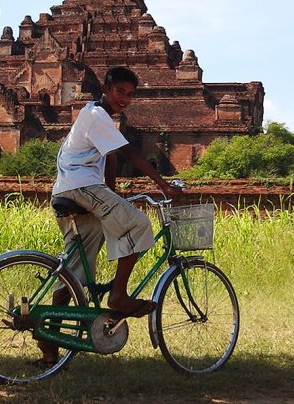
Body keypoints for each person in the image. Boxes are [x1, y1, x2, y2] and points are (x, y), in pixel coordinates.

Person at [39, 66, 183, 364]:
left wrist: (113, 193)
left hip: (68, 191)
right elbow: (129, 153)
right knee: (138, 224)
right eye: (120, 91)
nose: (125, 99)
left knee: (75, 272)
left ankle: (49, 343)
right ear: (106, 87)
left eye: (130, 95)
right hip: (81, 187)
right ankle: (118, 296)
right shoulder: (96, 115)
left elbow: (112, 156)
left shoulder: (97, 119)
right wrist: (164, 185)